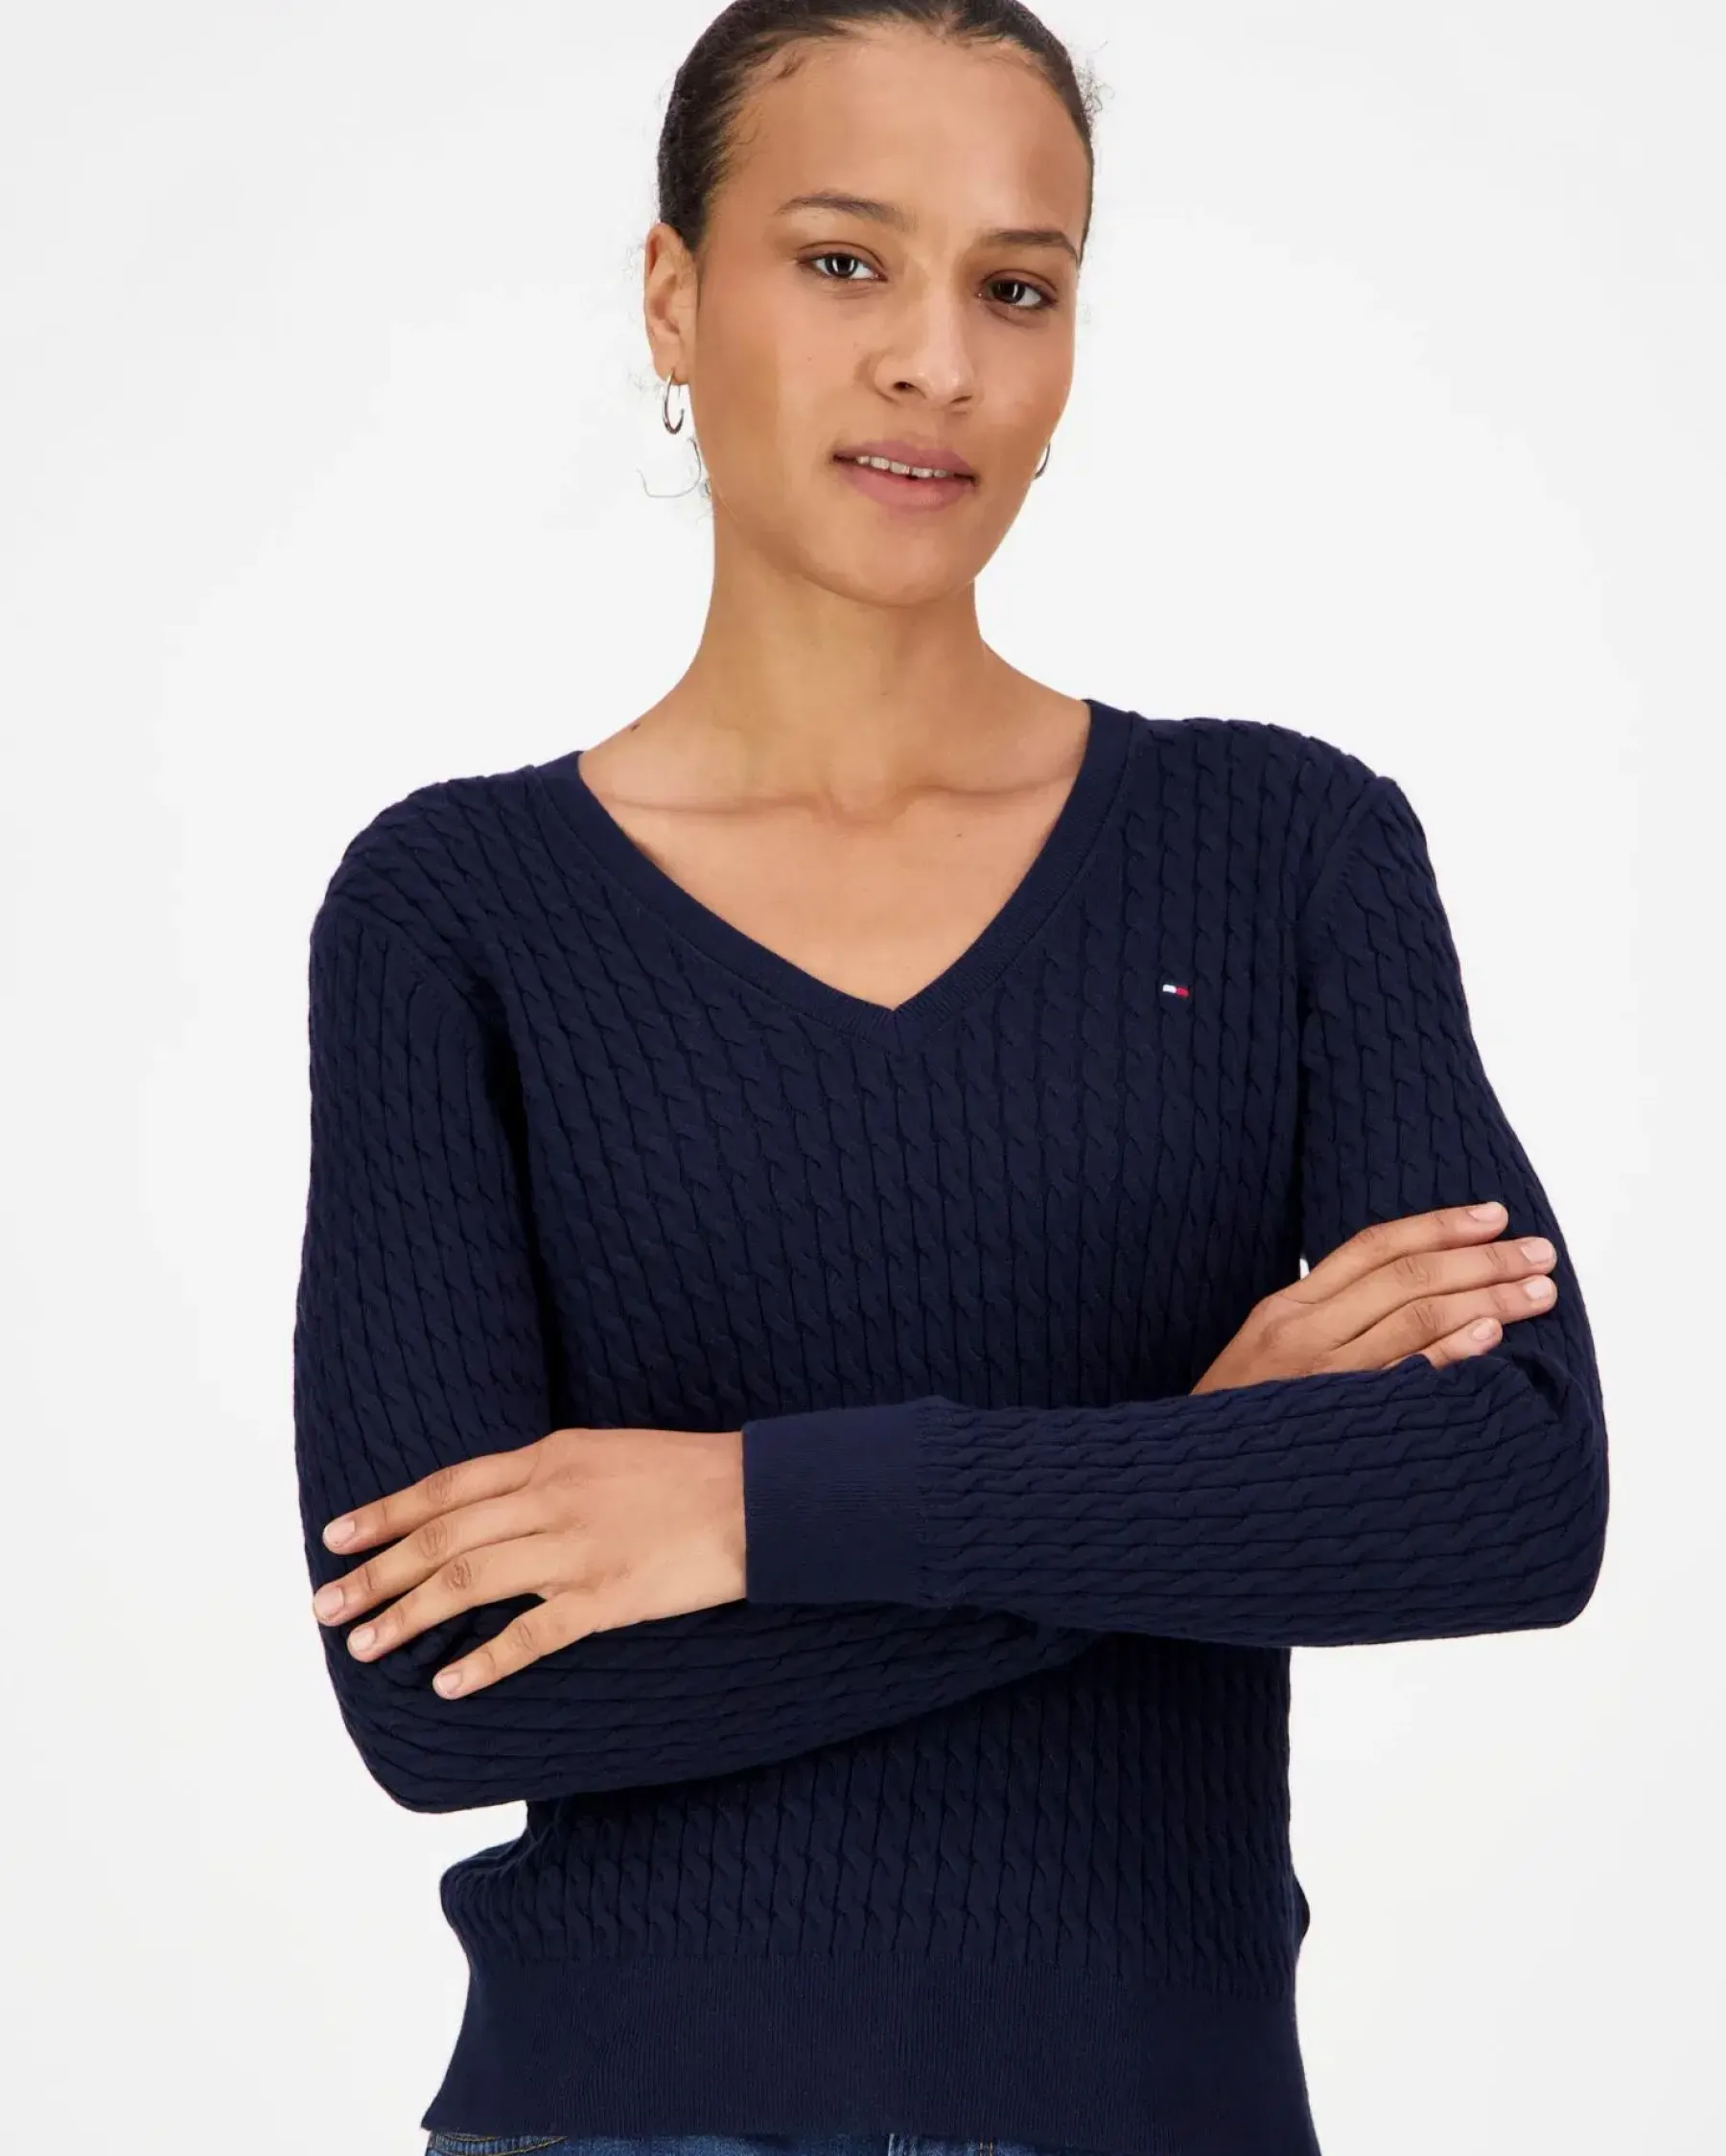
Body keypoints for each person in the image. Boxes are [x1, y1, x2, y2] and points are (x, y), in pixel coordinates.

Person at [291, 5, 1609, 2155]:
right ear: (671, 297)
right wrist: (1196, 1469)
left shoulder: (1284, 849)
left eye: (1017, 286)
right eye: (843, 261)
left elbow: (1511, 1493)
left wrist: (749, 1516)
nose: (938, 362)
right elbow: (439, 1689)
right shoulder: (459, 909)